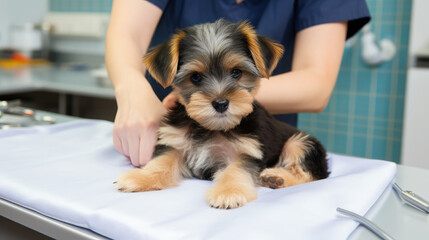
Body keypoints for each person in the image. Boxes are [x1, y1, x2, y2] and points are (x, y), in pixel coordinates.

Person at [105, 0, 370, 167]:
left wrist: (237, 97)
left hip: (257, 145)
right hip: (165, 132)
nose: (218, 92)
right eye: (196, 78)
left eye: (236, 73)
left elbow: (316, 84)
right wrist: (132, 89)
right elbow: (126, 34)